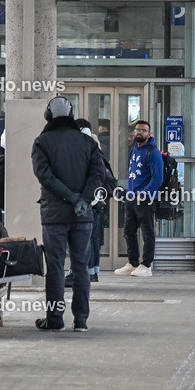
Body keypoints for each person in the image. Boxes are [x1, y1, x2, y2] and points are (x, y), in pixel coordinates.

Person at [31, 96, 104, 331]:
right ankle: (81, 321)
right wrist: (82, 200)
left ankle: (55, 320)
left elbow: (45, 176)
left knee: (55, 267)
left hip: (54, 216)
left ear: (48, 115)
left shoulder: (41, 142)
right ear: (71, 115)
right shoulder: (88, 143)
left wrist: (71, 198)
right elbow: (98, 175)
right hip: (83, 215)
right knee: (81, 267)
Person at [115, 120, 163, 277]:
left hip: (146, 199)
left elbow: (157, 178)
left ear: (149, 134)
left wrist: (144, 193)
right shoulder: (134, 149)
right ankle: (133, 263)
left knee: (147, 232)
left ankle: (146, 265)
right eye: (137, 130)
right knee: (128, 231)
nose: (139, 132)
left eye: (143, 130)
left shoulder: (153, 152)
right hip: (131, 197)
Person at [74, 119, 113, 282]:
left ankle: (88, 272)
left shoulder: (83, 149)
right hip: (97, 199)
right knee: (93, 236)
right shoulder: (96, 147)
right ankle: (93, 270)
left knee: (86, 237)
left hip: (88, 200)